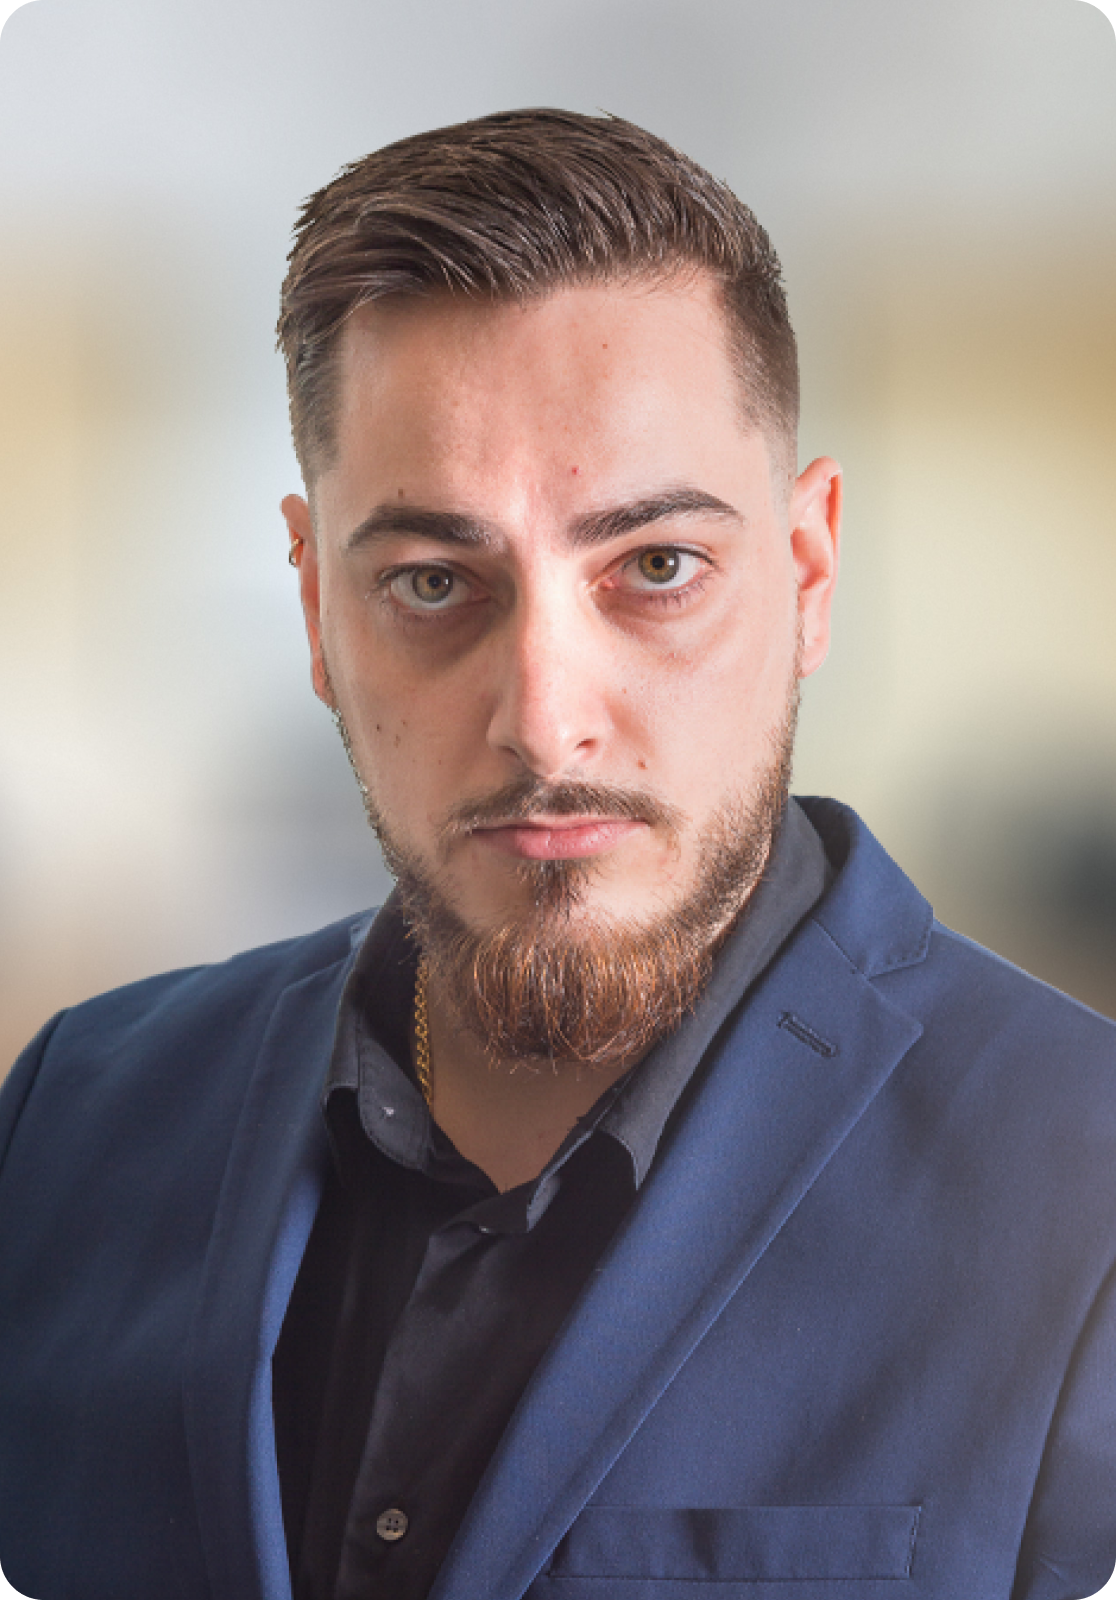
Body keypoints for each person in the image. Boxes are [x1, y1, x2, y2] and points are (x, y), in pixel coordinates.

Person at [1, 109, 1114, 1600]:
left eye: (656, 567)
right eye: (431, 581)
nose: (542, 721)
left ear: (806, 571)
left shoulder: (1089, 1179)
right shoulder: (70, 1122)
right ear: (317, 609)